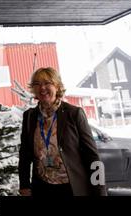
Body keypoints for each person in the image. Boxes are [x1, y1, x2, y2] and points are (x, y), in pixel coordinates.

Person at [18, 67, 107, 196]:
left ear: (57, 86)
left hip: (72, 187)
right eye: (37, 84)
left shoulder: (74, 114)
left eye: (47, 83)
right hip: (42, 188)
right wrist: (24, 185)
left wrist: (100, 191)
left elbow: (92, 155)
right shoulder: (30, 116)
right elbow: (25, 155)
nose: (42, 88)